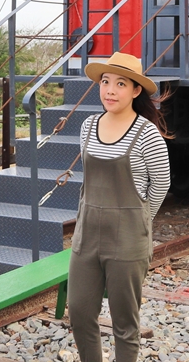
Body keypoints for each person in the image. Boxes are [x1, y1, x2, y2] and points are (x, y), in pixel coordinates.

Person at [68, 52, 171, 362]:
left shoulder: (147, 134)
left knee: (125, 325)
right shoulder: (87, 126)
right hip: (86, 239)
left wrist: (139, 220)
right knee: (80, 313)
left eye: (120, 84)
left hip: (127, 242)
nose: (110, 91)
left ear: (136, 90)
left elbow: (161, 184)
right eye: (105, 82)